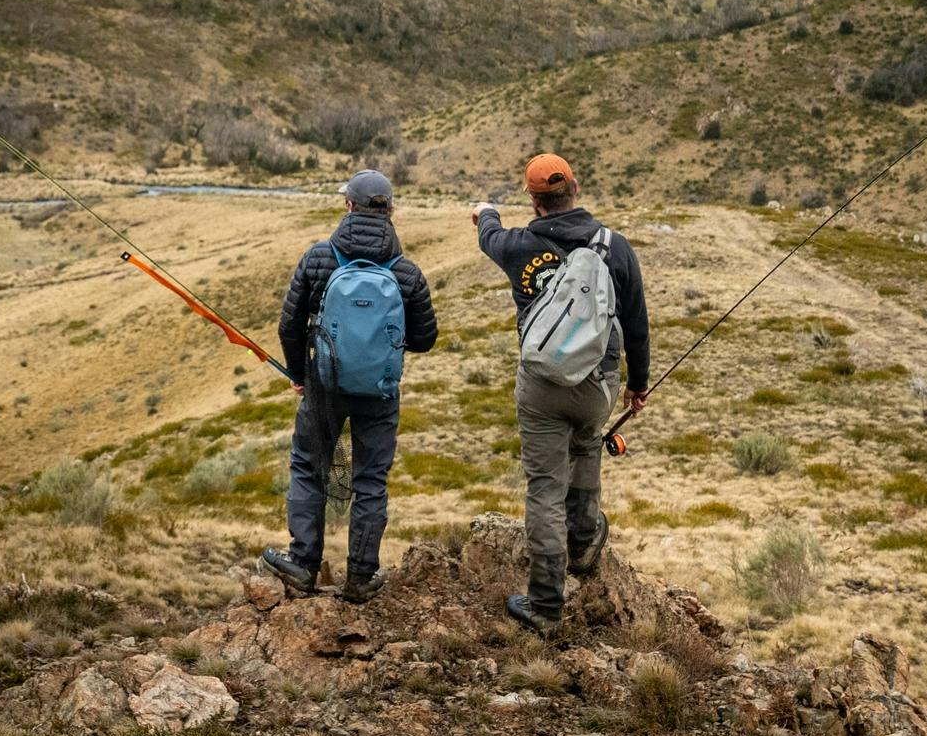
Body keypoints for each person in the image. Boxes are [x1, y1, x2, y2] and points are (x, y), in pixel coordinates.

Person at [473, 153, 651, 637]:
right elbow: (636, 322)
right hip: (598, 384)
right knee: (587, 449)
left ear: (534, 200)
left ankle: (546, 604)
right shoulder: (616, 248)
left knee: (545, 488)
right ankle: (584, 543)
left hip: (540, 384)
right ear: (575, 187)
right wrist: (638, 385)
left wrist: (486, 211)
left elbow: (488, 235)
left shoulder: (517, 243)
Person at [262, 169, 437, 603]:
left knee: (309, 467)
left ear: (349, 207)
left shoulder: (319, 258)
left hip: (324, 385)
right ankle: (361, 576)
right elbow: (425, 339)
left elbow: (290, 323)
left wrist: (300, 375)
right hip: (380, 390)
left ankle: (303, 564)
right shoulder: (406, 272)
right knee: (370, 480)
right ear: (391, 210)